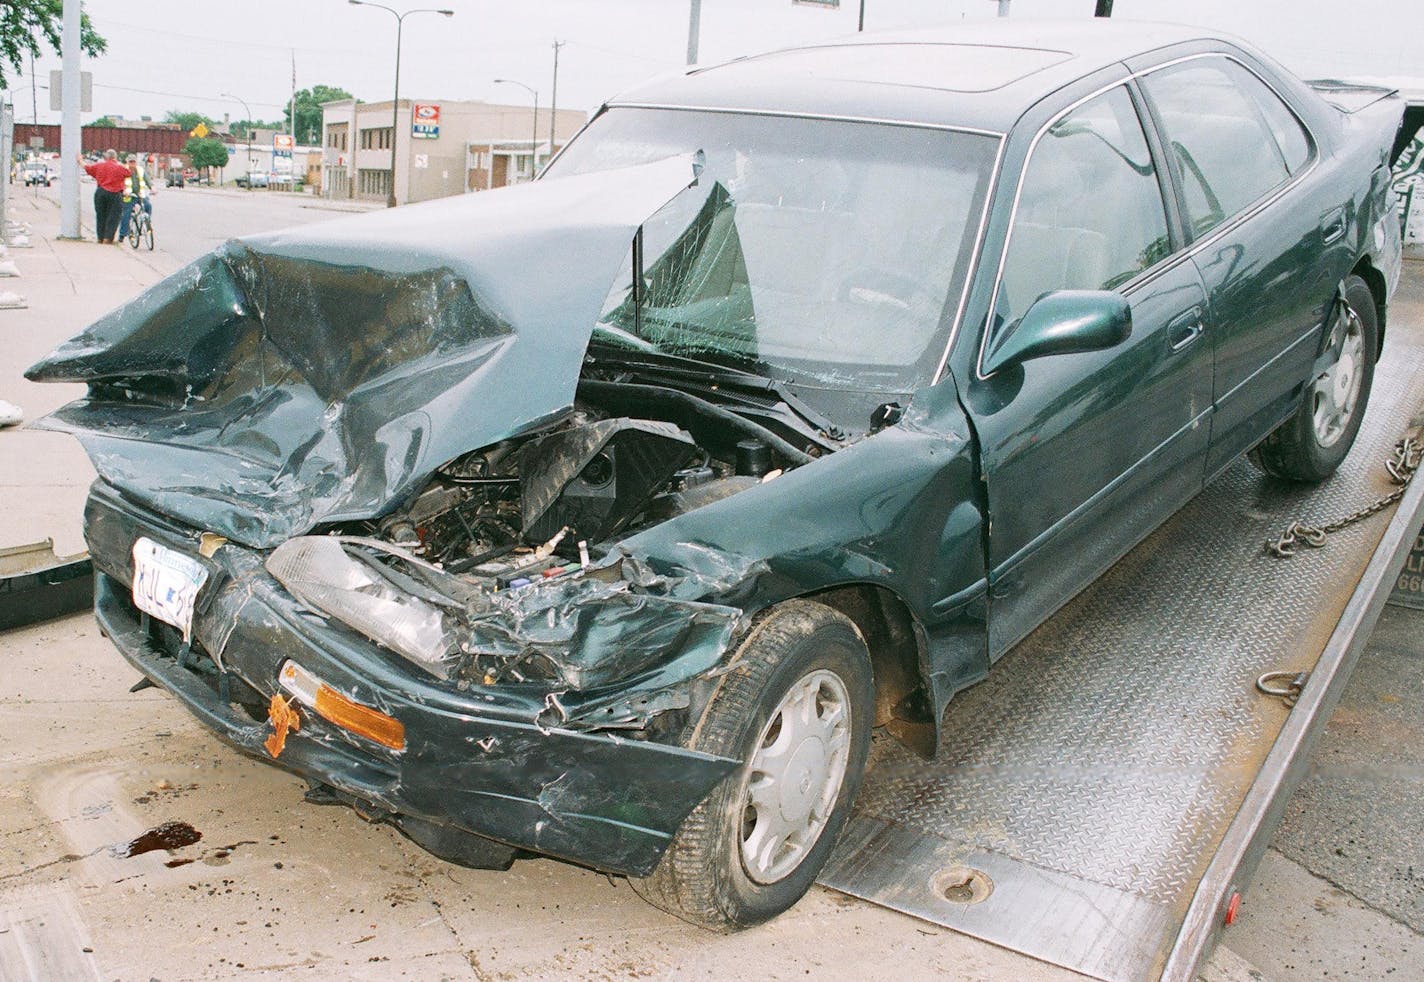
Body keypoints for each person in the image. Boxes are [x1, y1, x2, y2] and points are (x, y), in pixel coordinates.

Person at [78, 149, 129, 243]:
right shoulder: (119, 167)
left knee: (101, 216)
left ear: (106, 157)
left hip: (100, 192)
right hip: (115, 193)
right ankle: (108, 238)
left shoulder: (99, 166)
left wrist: (80, 160)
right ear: (115, 157)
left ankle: (100, 238)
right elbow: (128, 173)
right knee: (113, 216)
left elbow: (87, 168)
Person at [118, 154, 153, 242]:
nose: (132, 164)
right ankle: (122, 234)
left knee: (148, 206)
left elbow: (147, 180)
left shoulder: (140, 170)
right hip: (128, 196)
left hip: (140, 195)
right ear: (127, 162)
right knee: (126, 214)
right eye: (131, 162)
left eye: (134, 162)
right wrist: (123, 190)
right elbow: (119, 181)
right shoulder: (123, 170)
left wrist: (152, 188)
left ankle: (147, 223)